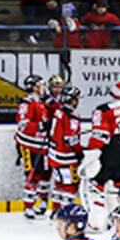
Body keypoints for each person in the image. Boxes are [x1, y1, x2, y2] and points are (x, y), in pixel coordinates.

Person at [83, 81, 120, 232]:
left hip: (108, 153)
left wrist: (90, 153)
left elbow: (100, 135)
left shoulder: (103, 110)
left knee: (96, 187)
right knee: (115, 190)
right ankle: (117, 223)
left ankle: (96, 223)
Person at [14, 75, 50, 217]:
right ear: (34, 87)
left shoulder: (41, 103)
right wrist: (40, 126)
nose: (43, 88)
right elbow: (23, 125)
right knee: (33, 175)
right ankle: (28, 205)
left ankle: (41, 201)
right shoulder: (26, 103)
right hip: (28, 146)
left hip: (42, 145)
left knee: (44, 174)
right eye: (41, 85)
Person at [46, 84, 82, 214]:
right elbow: (70, 139)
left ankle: (55, 210)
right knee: (70, 185)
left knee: (59, 183)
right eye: (76, 98)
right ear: (72, 99)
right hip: (66, 157)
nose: (77, 101)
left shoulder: (58, 111)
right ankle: (66, 213)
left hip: (53, 154)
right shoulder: (72, 116)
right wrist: (79, 151)